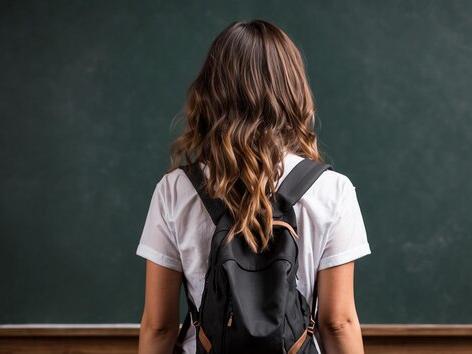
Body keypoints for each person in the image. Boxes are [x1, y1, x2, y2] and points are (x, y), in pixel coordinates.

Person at [136, 19, 371, 354]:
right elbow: (337, 322)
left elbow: (158, 325)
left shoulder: (174, 189)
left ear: (212, 92)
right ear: (293, 91)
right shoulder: (333, 190)